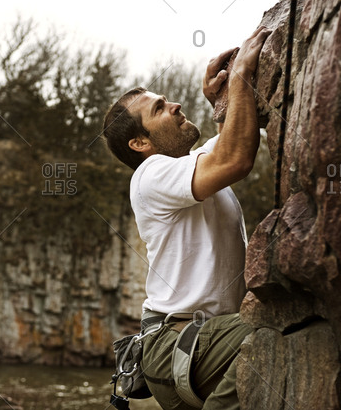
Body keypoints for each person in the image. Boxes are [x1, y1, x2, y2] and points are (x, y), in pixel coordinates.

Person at [102, 26, 272, 410]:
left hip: (203, 342)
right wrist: (242, 75)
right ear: (140, 144)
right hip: (175, 344)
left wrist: (224, 102)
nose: (176, 105)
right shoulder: (150, 174)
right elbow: (235, 158)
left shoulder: (190, 169)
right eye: (159, 109)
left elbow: (229, 141)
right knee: (273, 327)